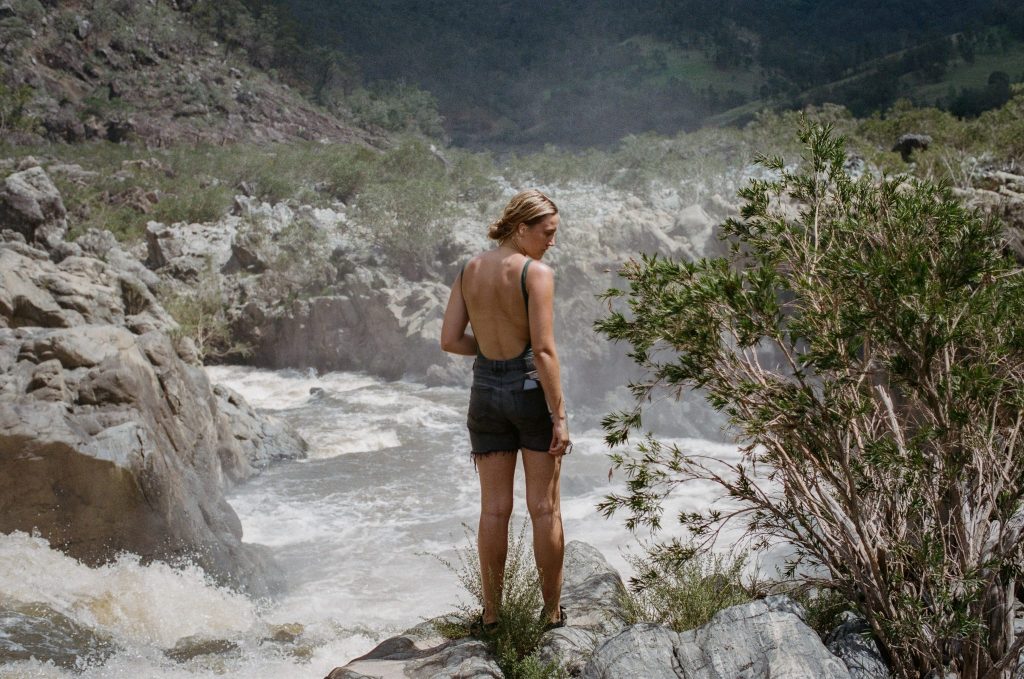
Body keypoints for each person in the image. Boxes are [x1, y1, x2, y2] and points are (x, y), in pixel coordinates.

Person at [440, 189, 570, 630]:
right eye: (547, 233)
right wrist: (561, 416)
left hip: (485, 393)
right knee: (544, 509)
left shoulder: (469, 269)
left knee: (494, 509)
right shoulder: (535, 274)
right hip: (530, 391)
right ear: (522, 229)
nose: (552, 242)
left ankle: (491, 615)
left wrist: (493, 354)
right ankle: (551, 614)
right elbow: (545, 351)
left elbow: (450, 340)